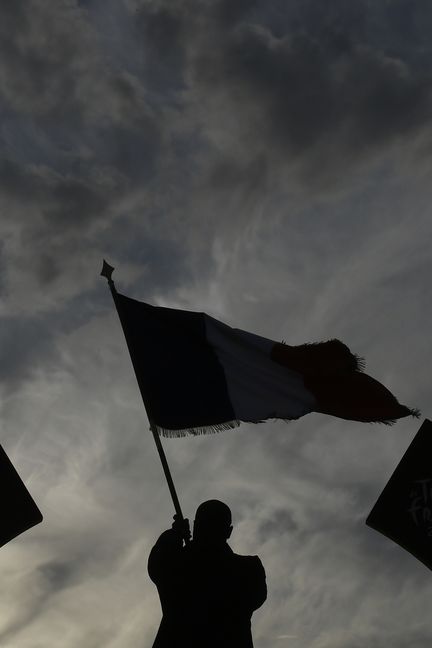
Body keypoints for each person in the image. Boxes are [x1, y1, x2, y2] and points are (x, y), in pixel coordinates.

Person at [148, 499, 267, 648]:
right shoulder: (248, 568)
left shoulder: (178, 564)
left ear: (196, 526)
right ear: (228, 532)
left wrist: (174, 536)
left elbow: (158, 564)